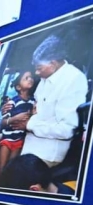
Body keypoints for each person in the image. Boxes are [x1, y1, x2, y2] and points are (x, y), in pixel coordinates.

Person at [11, 35, 88, 167]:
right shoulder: (45, 78)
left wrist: (30, 125)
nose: (37, 72)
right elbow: (38, 108)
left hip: (47, 152)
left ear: (53, 63)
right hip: (31, 143)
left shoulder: (73, 80)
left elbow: (66, 130)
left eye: (39, 68)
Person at [0, 71, 36, 184]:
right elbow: (3, 122)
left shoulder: (33, 101)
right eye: (26, 78)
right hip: (8, 138)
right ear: (18, 86)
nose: (30, 79)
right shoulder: (13, 102)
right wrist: (14, 119)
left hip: (19, 140)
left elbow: (34, 116)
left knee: (10, 169)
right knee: (1, 167)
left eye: (31, 77)